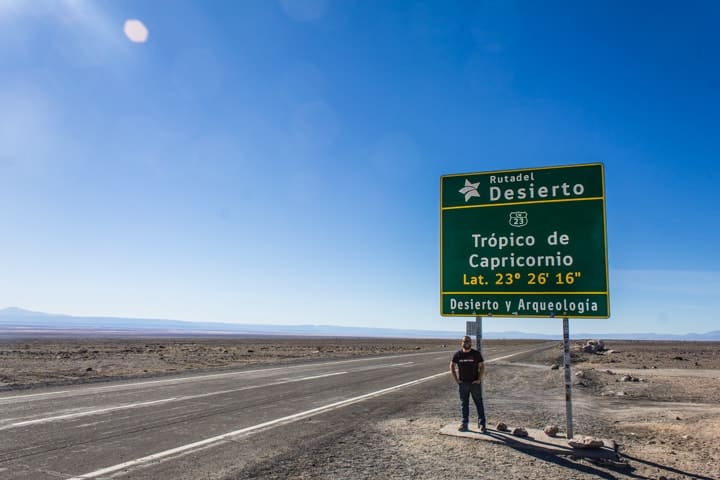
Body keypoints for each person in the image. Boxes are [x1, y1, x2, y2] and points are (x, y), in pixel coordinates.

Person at [450, 335, 486, 432]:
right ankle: (464, 424)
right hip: (463, 384)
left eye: (468, 341)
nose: (466, 343)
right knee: (464, 404)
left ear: (471, 343)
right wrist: (457, 380)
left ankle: (482, 424)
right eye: (464, 341)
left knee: (479, 403)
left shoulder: (476, 354)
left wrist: (479, 379)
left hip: (475, 384)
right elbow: (452, 365)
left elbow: (482, 366)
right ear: (461, 343)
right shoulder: (458, 354)